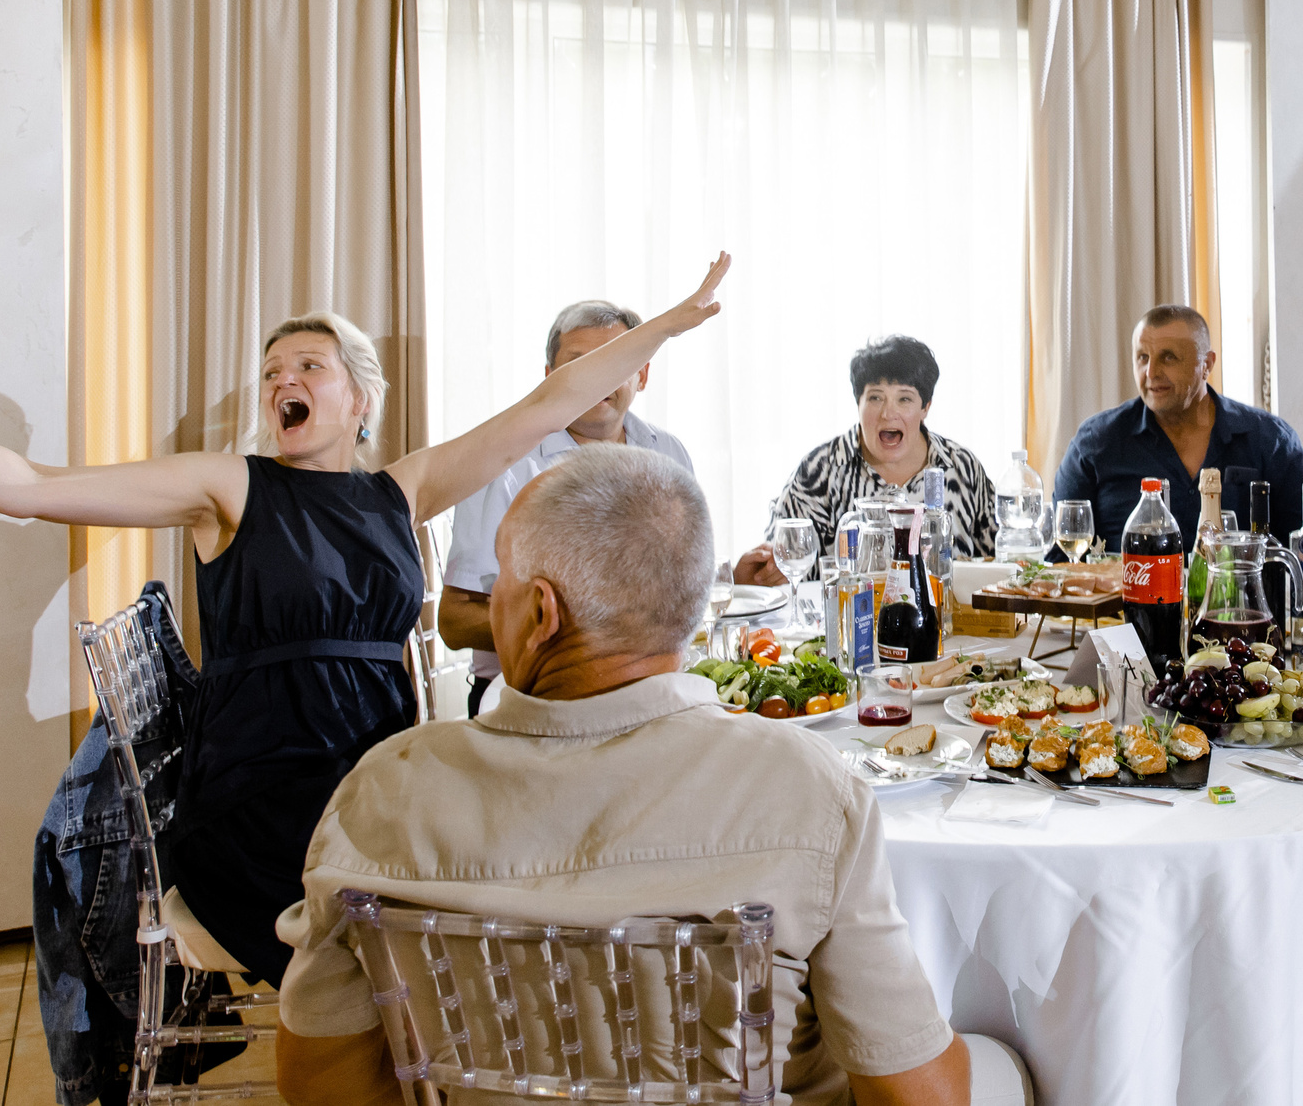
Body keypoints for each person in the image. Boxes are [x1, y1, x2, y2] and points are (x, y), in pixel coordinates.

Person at [0, 257, 730, 987]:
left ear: (361, 399)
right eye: (275, 373)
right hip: (270, 794)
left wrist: (671, 325)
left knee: (524, 854)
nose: (286, 382)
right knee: (468, 899)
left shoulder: (399, 488)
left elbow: (551, 397)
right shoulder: (228, 489)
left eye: (311, 367)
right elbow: (33, 485)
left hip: (378, 773)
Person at [270, 443, 977, 1106]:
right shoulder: (808, 788)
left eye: (499, 585)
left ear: (540, 612)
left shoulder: (384, 790)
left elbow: (319, 1082)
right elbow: (917, 1093)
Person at [438, 299, 701, 717]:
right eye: (579, 364)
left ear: (643, 374)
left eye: (614, 362)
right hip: (525, 698)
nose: (596, 379)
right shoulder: (502, 461)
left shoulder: (667, 452)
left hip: (650, 695)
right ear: (549, 378)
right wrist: (583, 635)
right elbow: (453, 620)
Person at [1051, 304, 1303, 549]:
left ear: (1207, 364)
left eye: (1168, 358)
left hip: (1241, 600)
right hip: (1131, 598)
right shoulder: (1096, 442)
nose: (1151, 372)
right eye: (1143, 357)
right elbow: (1061, 560)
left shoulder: (1270, 440)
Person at [739, 335, 995, 584]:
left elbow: (1001, 563)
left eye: (904, 398)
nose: (888, 413)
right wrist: (751, 576)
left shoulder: (962, 468)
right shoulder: (818, 471)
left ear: (925, 407)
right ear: (858, 402)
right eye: (875, 397)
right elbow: (782, 568)